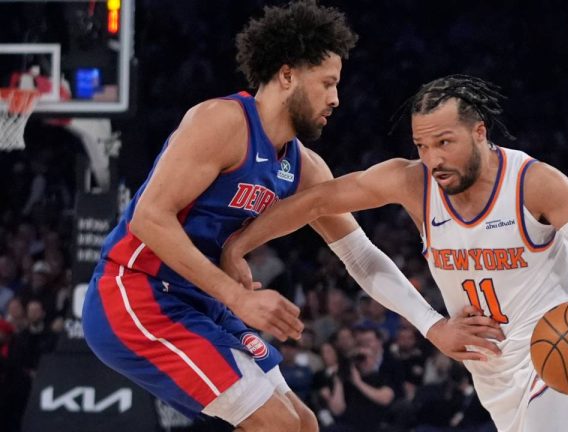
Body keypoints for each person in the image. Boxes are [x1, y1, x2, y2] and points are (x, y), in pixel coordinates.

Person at [81, 3, 498, 431]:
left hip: (199, 302)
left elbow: (360, 256)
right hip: (136, 292)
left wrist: (433, 327)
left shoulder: (305, 166)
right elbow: (148, 219)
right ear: (287, 76)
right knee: (276, 424)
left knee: (304, 423)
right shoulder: (222, 122)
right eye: (327, 83)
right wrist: (237, 296)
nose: (336, 98)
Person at [221, 75, 568, 431]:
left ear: (480, 131)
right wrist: (239, 245)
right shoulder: (414, 183)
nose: (433, 159)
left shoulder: (534, 183)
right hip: (492, 374)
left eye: (444, 142)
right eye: (422, 145)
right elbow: (316, 202)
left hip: (560, 352)